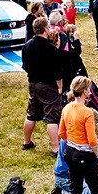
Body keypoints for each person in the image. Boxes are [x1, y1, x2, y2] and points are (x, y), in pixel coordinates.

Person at [21, 17, 63, 154]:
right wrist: (60, 87)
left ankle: (26, 142)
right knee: (52, 118)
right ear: (45, 29)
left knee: (31, 114)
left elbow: (25, 66)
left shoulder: (27, 45)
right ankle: (55, 148)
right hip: (48, 86)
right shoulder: (51, 49)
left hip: (32, 83)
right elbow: (58, 72)